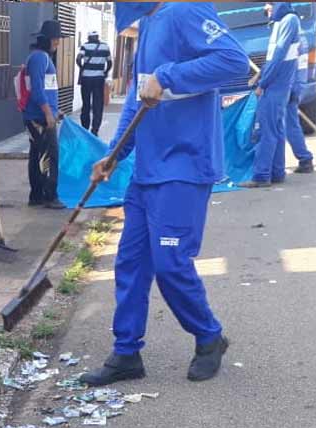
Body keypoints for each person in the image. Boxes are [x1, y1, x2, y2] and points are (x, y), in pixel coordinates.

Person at [81, 2, 248, 386]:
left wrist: (167, 75)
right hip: (147, 170)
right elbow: (137, 101)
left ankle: (209, 337)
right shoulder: (149, 23)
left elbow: (234, 61)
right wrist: (114, 154)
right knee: (131, 264)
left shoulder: (185, 10)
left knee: (171, 263)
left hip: (183, 168)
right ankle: (126, 353)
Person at [242, 2, 300, 188]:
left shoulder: (288, 21)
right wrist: (260, 75)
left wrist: (263, 84)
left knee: (265, 131)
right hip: (278, 85)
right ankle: (277, 173)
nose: (266, 8)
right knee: (276, 130)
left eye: (269, 4)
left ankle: (261, 176)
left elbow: (278, 57)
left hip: (276, 86)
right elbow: (272, 58)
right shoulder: (282, 23)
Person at [23, 21, 66, 210]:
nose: (57, 43)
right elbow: (38, 89)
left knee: (37, 154)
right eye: (55, 39)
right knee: (49, 156)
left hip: (39, 114)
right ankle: (49, 196)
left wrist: (55, 110)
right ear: (47, 40)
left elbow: (46, 88)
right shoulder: (40, 58)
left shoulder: (40, 57)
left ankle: (37, 195)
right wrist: (49, 112)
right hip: (40, 117)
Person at [285, 23, 314, 173]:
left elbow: (286, 64)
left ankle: (305, 158)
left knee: (290, 125)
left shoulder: (292, 36)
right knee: (291, 124)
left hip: (292, 86)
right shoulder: (301, 37)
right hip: (298, 83)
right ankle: (305, 158)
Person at [76, 30, 113, 135]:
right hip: (99, 79)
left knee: (86, 104)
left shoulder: (85, 46)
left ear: (89, 38)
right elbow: (110, 63)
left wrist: (82, 68)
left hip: (86, 79)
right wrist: (105, 72)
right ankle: (95, 130)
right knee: (98, 105)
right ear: (97, 37)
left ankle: (85, 128)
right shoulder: (105, 47)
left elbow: (78, 59)